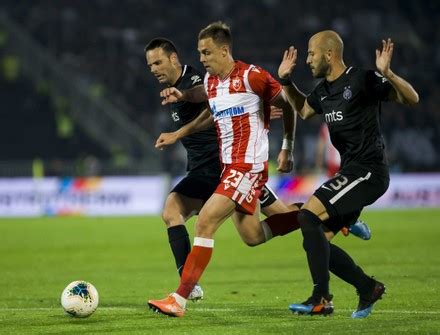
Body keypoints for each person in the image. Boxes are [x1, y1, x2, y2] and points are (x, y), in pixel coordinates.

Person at [147, 21, 302, 317]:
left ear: (224, 50)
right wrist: (182, 99)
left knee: (205, 222)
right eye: (200, 53)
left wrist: (287, 147)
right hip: (230, 168)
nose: (202, 59)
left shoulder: (251, 76)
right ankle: (318, 216)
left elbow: (288, 105)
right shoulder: (212, 82)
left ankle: (179, 299)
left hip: (246, 168)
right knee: (253, 236)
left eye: (206, 53)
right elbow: (203, 99)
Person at [277, 31, 419, 318]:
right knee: (316, 242)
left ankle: (321, 298)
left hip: (369, 171)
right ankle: (368, 288)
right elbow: (304, 111)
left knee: (307, 215)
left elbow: (412, 99)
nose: (307, 60)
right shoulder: (323, 91)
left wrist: (388, 73)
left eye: (311, 53)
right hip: (351, 172)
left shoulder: (362, 80)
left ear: (329, 54)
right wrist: (286, 82)